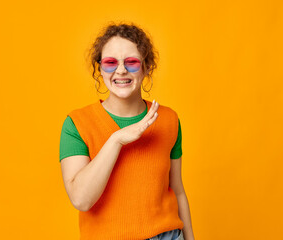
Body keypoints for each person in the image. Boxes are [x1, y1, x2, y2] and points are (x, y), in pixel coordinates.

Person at [59, 22, 195, 240]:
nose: (120, 70)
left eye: (131, 62)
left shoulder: (169, 119)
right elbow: (81, 199)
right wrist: (116, 140)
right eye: (110, 62)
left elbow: (178, 190)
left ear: (147, 67)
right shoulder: (77, 124)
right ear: (100, 69)